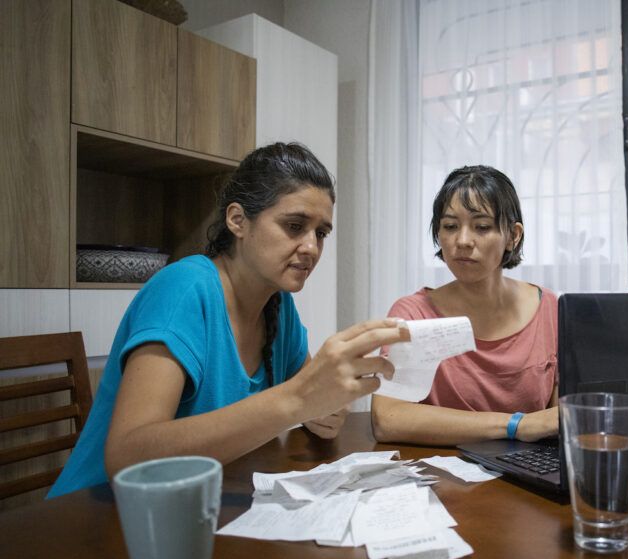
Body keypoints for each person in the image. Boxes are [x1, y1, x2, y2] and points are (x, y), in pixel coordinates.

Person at [49, 142, 406, 498]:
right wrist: (298, 399)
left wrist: (326, 409)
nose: (312, 247)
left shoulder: (278, 305)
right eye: (294, 225)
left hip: (195, 508)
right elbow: (128, 458)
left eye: (321, 233)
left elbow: (311, 400)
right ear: (237, 220)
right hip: (94, 520)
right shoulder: (184, 289)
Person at [371, 165, 558, 446]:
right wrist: (516, 424)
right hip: (442, 475)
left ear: (513, 236)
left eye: (481, 227)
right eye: (450, 226)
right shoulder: (413, 314)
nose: (462, 241)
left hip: (529, 478)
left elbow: (561, 417)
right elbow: (388, 419)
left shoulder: (549, 308)